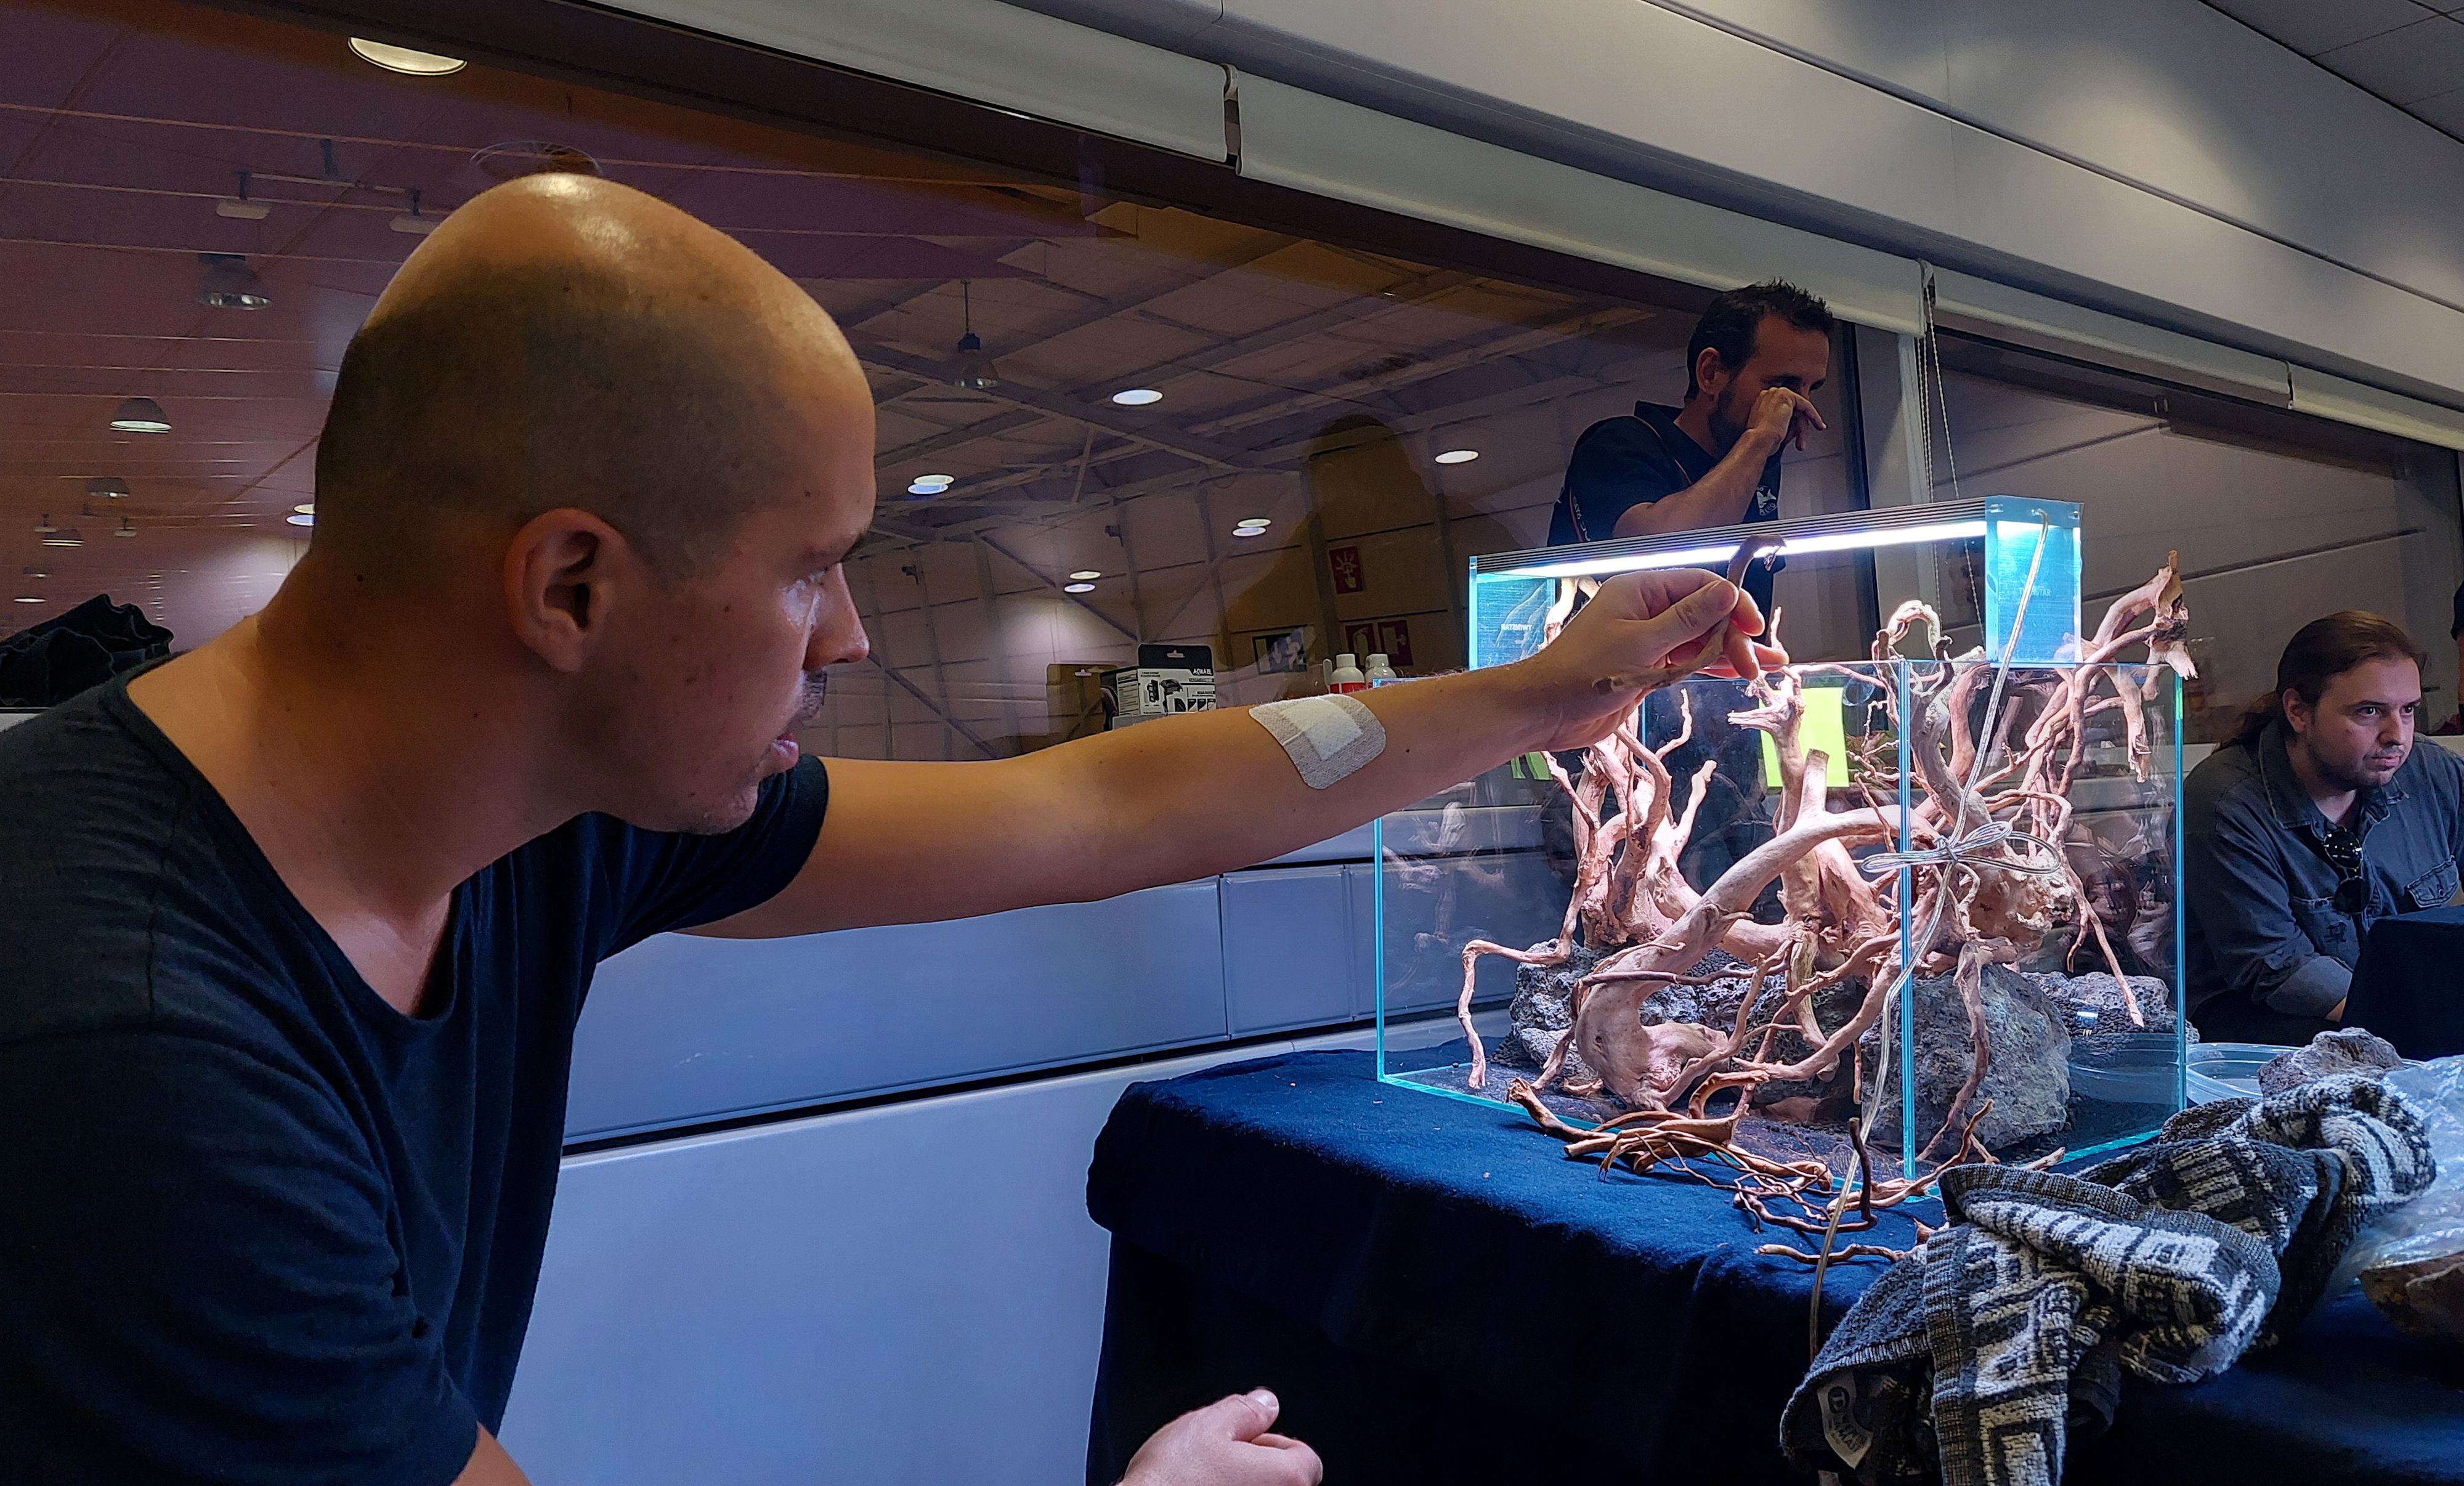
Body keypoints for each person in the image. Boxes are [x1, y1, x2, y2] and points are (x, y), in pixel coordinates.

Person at [0, 175, 1778, 1485]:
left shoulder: (531, 807)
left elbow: (1084, 802)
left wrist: (1536, 691)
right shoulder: (130, 1054)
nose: (850, 637)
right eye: (811, 570)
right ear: (571, 586)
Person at [2184, 611, 2464, 1045]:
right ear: (2298, 711)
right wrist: (2418, 1021)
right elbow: (2276, 965)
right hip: (2266, 1032)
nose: (2398, 736)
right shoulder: (2224, 802)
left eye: (2408, 710)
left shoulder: (2433, 772)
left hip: (2406, 1011)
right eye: (2369, 712)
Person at [1547, 279, 1833, 617]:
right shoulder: (1617, 444)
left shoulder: (1759, 461)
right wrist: (1759, 440)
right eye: (1781, 386)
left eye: (1811, 389)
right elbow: (1658, 557)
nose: (1797, 405)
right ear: (1711, 374)